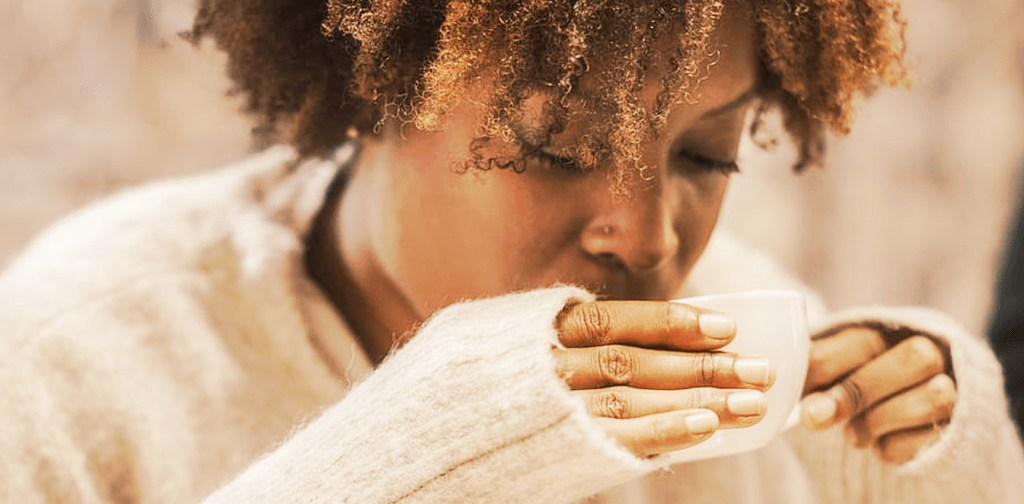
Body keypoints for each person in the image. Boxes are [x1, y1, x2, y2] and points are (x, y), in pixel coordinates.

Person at [1, 0, 1022, 503]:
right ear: (373, 93)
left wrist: (935, 455)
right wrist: (416, 454)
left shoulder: (737, 336)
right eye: (556, 147)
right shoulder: (72, 363)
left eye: (705, 156)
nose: (652, 236)